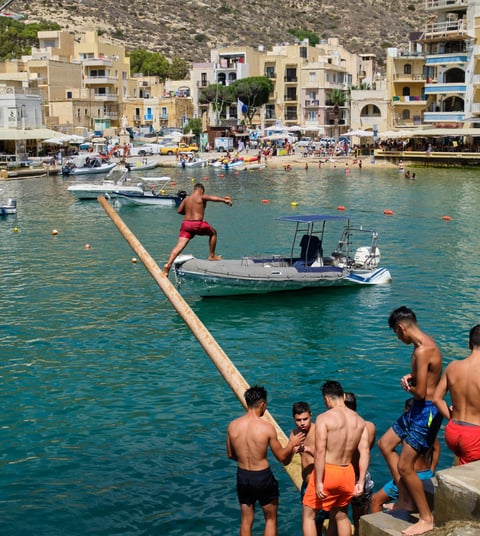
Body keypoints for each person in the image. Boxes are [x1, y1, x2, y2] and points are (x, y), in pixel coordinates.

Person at [378, 306, 443, 536]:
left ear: (401, 328)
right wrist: (412, 377)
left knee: (405, 465)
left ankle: (426, 518)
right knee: (385, 444)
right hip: (418, 409)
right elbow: (426, 377)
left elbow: (422, 392)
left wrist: (407, 386)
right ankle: (405, 499)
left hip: (426, 412)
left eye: (397, 334)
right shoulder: (423, 344)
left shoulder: (424, 350)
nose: (398, 339)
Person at [226, 385, 305, 536]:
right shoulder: (266, 428)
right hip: (262, 476)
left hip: (243, 475)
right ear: (262, 404)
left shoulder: (232, 426)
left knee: (246, 520)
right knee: (270, 519)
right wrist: (292, 443)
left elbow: (231, 454)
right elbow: (282, 457)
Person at [302, 381, 370, 536]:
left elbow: (320, 451)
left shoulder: (324, 418)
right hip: (347, 473)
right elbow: (365, 451)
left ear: (326, 399)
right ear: (343, 396)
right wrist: (361, 482)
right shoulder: (359, 421)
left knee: (309, 516)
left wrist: (319, 481)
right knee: (341, 516)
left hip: (328, 472)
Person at [371, 398, 440, 513]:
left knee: (375, 500)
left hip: (411, 475)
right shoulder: (426, 430)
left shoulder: (409, 429)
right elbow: (437, 449)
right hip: (426, 473)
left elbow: (387, 446)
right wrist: (432, 470)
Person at [433, 324, 480, 465]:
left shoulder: (453, 367)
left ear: (469, 344)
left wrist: (451, 417)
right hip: (475, 435)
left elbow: (436, 399)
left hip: (453, 431)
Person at [163, 183, 232, 275]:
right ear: (202, 191)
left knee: (179, 247)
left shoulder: (186, 199)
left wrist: (188, 213)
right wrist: (224, 200)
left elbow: (179, 211)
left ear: (193, 190)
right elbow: (213, 198)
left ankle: (168, 265)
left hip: (186, 224)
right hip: (196, 224)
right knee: (213, 233)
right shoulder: (201, 196)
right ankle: (211, 256)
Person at [344, 392, 376, 536]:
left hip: (343, 476)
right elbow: (368, 449)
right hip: (361, 477)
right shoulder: (369, 426)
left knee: (339, 518)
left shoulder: (339, 429)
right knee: (360, 520)